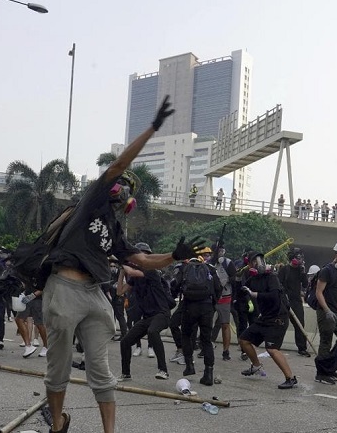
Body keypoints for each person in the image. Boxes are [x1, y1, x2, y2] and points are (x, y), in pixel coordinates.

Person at [39, 95, 204, 433]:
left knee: (102, 372)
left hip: (94, 296)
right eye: (122, 185)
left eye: (128, 189)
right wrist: (153, 129)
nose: (123, 191)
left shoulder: (114, 229)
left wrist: (175, 256)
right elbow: (116, 167)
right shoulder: (90, 203)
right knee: (59, 369)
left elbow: (142, 259)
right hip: (65, 290)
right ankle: (57, 424)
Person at [238, 253, 298, 389]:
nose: (257, 263)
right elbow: (241, 291)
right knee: (244, 340)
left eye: (259, 260)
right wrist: (237, 279)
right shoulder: (253, 279)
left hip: (277, 318)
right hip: (264, 317)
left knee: (271, 349)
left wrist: (256, 295)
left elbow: (274, 296)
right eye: (253, 261)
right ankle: (256, 366)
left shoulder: (271, 277)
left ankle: (290, 378)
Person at [116, 242, 174, 381]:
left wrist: (125, 263)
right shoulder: (135, 278)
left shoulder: (152, 273)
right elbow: (119, 291)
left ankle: (163, 370)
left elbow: (142, 267)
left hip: (162, 313)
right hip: (148, 317)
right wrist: (122, 272)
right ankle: (126, 374)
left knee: (152, 331)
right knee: (125, 342)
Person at [176, 253, 221, 386]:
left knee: (186, 335)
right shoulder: (210, 268)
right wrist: (213, 303)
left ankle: (189, 365)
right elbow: (218, 288)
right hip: (206, 307)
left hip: (189, 306)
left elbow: (175, 285)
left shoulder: (184, 268)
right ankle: (208, 374)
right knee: (206, 340)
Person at [313, 240, 337, 385]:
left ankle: (331, 368)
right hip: (326, 312)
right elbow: (319, 293)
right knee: (326, 341)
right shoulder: (327, 271)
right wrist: (327, 310)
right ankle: (321, 373)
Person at [278, 248, 310, 357]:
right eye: (297, 257)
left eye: (301, 257)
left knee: (300, 324)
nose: (299, 260)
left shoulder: (300, 271)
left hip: (296, 301)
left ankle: (302, 348)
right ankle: (275, 345)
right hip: (285, 300)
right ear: (292, 258)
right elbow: (278, 284)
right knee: (282, 324)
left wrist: (303, 272)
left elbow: (305, 285)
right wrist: (283, 296)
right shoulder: (284, 270)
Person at [210, 246, 236, 360]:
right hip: (210, 297)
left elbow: (235, 277)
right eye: (217, 251)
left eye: (221, 250)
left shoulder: (228, 263)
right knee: (206, 324)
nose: (220, 253)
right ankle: (206, 347)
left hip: (225, 296)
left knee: (225, 324)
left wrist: (226, 281)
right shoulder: (209, 263)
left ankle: (226, 351)